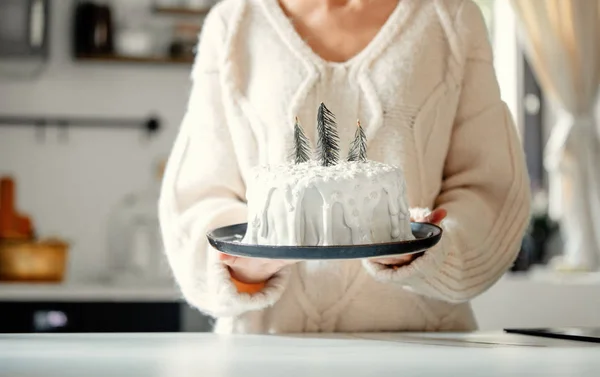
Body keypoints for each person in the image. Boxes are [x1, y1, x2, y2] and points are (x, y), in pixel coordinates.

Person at [159, 0, 531, 334]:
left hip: (424, 347)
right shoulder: (233, 24)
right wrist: (242, 268)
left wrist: (429, 250)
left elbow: (490, 189)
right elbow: (195, 198)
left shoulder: (451, 17)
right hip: (266, 351)